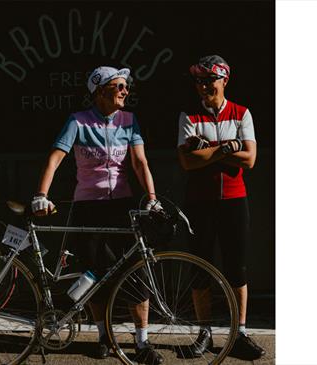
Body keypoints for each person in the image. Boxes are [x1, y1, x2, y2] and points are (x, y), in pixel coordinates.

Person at [31, 66, 163, 364]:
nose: (125, 91)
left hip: (122, 206)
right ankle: (104, 335)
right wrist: (41, 195)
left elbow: (140, 163)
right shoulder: (78, 121)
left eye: (125, 86)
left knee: (136, 271)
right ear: (100, 91)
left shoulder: (130, 121)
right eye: (118, 87)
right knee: (94, 273)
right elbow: (55, 159)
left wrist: (152, 199)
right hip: (88, 206)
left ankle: (142, 343)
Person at [177, 55, 265, 360]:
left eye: (209, 80)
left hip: (234, 201)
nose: (203, 86)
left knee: (236, 269)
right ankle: (204, 332)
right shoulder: (189, 116)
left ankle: (238, 333)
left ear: (224, 80)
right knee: (200, 269)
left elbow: (250, 159)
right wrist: (229, 148)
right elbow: (188, 161)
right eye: (199, 81)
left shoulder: (242, 113)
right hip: (199, 202)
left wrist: (209, 149)